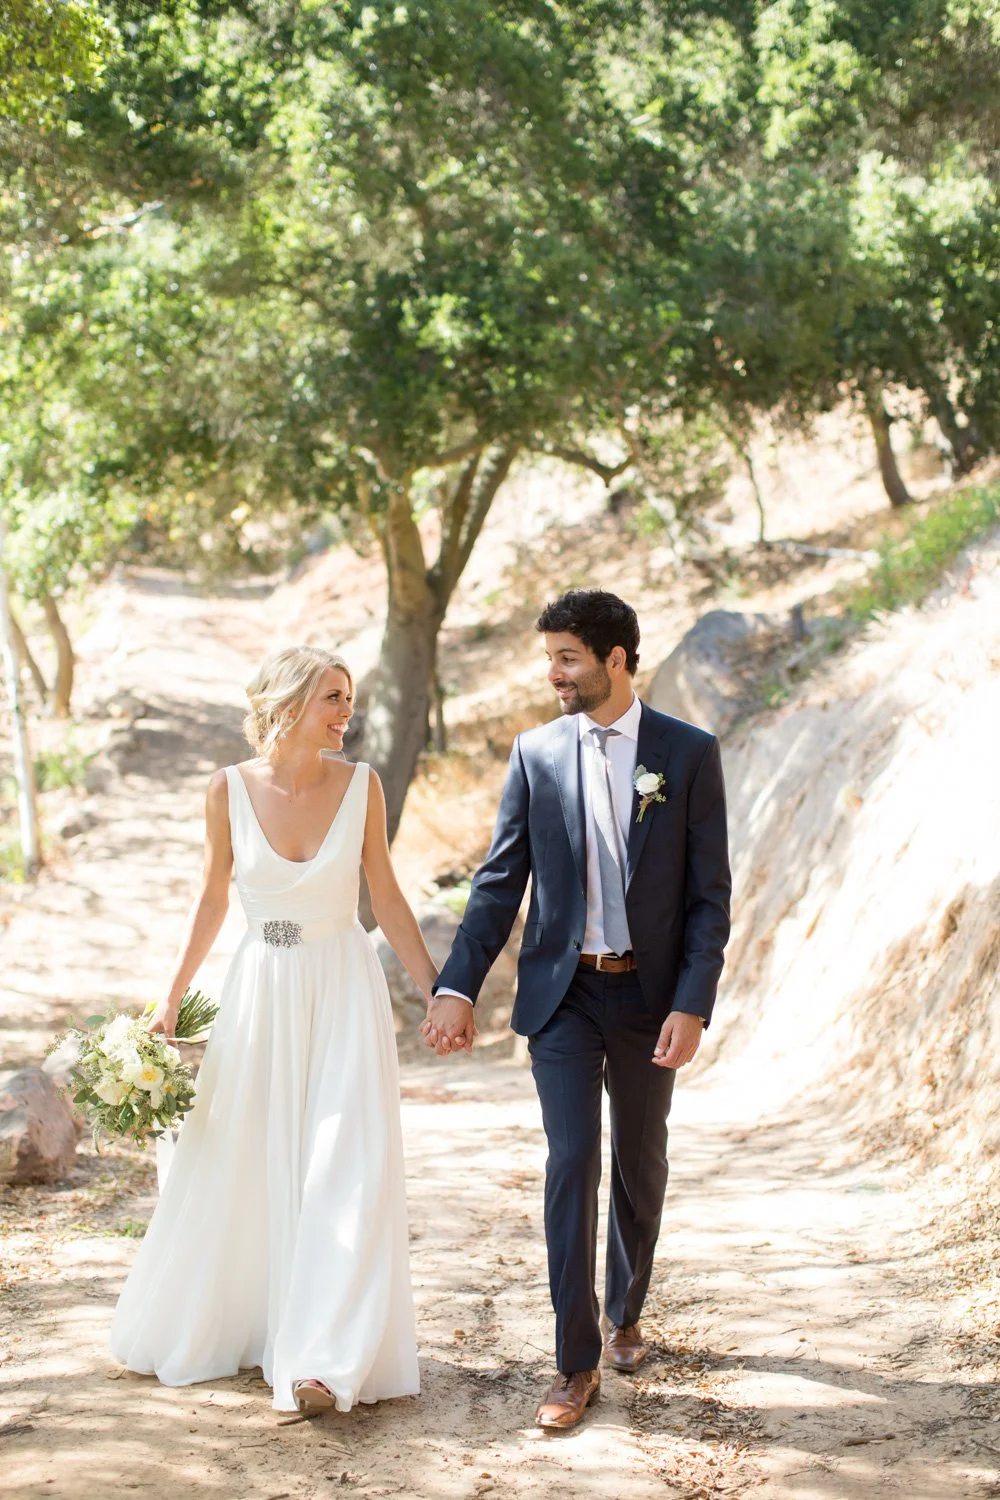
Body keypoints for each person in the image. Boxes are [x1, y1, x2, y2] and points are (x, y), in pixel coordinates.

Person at [423, 589, 731, 1430]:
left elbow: (709, 898)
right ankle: (573, 1361)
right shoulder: (536, 753)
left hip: (648, 997)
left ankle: (627, 1309)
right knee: (570, 1163)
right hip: (560, 996)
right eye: (550, 658)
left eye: (567, 658)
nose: (553, 674)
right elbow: (498, 884)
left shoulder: (688, 753)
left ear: (614, 660)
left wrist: (692, 1004)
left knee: (639, 1162)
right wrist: (457, 985)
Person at [111, 646, 436, 1414]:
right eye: (333, 697)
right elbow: (211, 899)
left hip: (344, 987)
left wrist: (439, 991)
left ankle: (324, 1359)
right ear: (288, 704)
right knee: (246, 1158)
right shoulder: (226, 789)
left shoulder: (363, 785)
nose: (346, 712)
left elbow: (386, 896)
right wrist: (170, 998)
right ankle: (261, 1324)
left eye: (348, 698)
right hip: (261, 988)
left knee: (347, 1165)